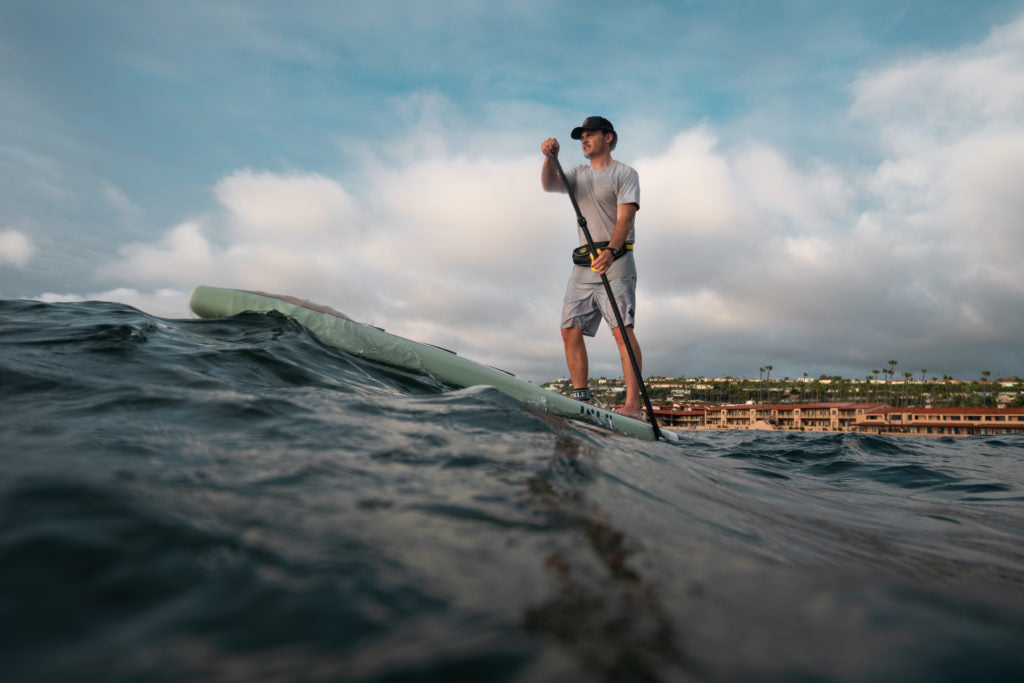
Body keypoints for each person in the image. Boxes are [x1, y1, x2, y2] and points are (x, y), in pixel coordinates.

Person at [540, 116, 646, 420]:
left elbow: (626, 218)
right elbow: (549, 185)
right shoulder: (577, 174)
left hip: (617, 262)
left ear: (608, 137)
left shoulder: (625, 174)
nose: (584, 140)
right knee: (568, 329)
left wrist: (611, 251)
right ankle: (581, 396)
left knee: (622, 332)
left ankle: (633, 406)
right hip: (584, 265)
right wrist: (550, 158)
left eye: (590, 135)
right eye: (581, 137)